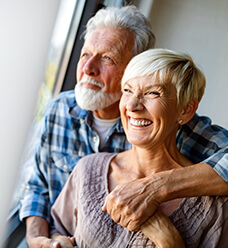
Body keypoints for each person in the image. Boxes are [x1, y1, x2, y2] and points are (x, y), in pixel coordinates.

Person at [19, 5, 228, 248]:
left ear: (136, 66)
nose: (88, 68)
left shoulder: (180, 128)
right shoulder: (59, 110)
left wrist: (155, 189)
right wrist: (38, 239)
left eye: (107, 58)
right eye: (86, 54)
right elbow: (38, 187)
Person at [50, 48, 228, 248]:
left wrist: (169, 241)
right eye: (127, 90)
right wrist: (59, 242)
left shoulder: (216, 208)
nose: (133, 105)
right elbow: (57, 230)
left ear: (185, 110)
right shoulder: (87, 169)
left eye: (153, 93)